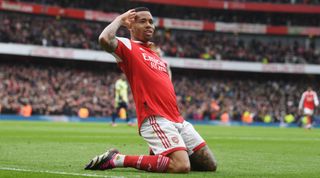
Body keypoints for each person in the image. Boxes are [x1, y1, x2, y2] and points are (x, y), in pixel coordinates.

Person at [85, 7, 217, 173]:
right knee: (181, 166)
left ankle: (159, 156)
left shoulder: (155, 54)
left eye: (151, 22)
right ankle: (117, 159)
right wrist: (120, 19)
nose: (149, 25)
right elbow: (104, 39)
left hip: (177, 119)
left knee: (210, 165)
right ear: (131, 26)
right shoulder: (128, 46)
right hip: (155, 117)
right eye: (143, 21)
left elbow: (164, 83)